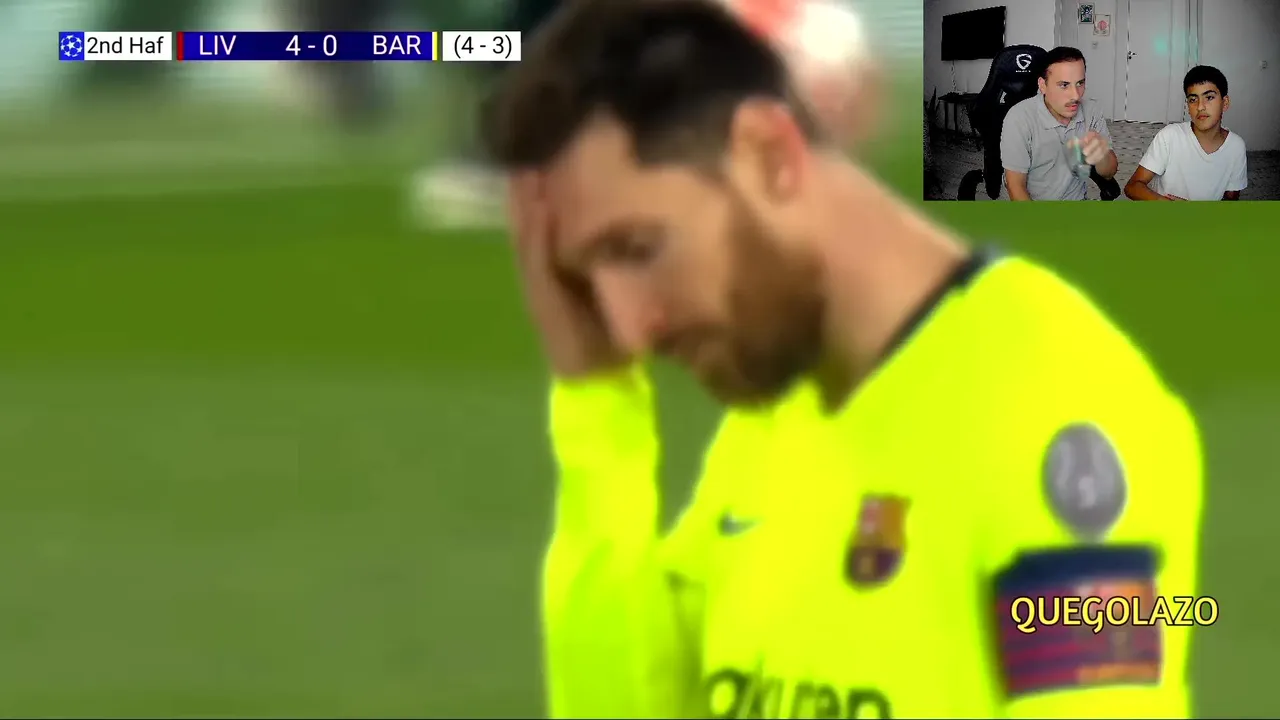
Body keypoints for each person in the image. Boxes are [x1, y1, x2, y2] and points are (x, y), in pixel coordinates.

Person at [483, 0, 1203, 716]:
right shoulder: (770, 422)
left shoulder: (1058, 403)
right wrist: (598, 397)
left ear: (768, 155)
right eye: (585, 278)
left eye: (639, 248)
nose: (629, 327)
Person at [1000, 47, 1118, 201]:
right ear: (1043, 85)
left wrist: (1102, 156)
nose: (1076, 96)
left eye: (1080, 83)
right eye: (1064, 85)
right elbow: (1015, 186)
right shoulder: (1019, 118)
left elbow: (1109, 173)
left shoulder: (1091, 111)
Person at [1124, 65, 1247, 201]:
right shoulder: (1170, 136)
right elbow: (1132, 187)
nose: (1200, 107)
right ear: (1188, 106)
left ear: (1225, 103)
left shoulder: (1236, 146)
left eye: (1209, 97)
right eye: (1193, 100)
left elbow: (1231, 200)